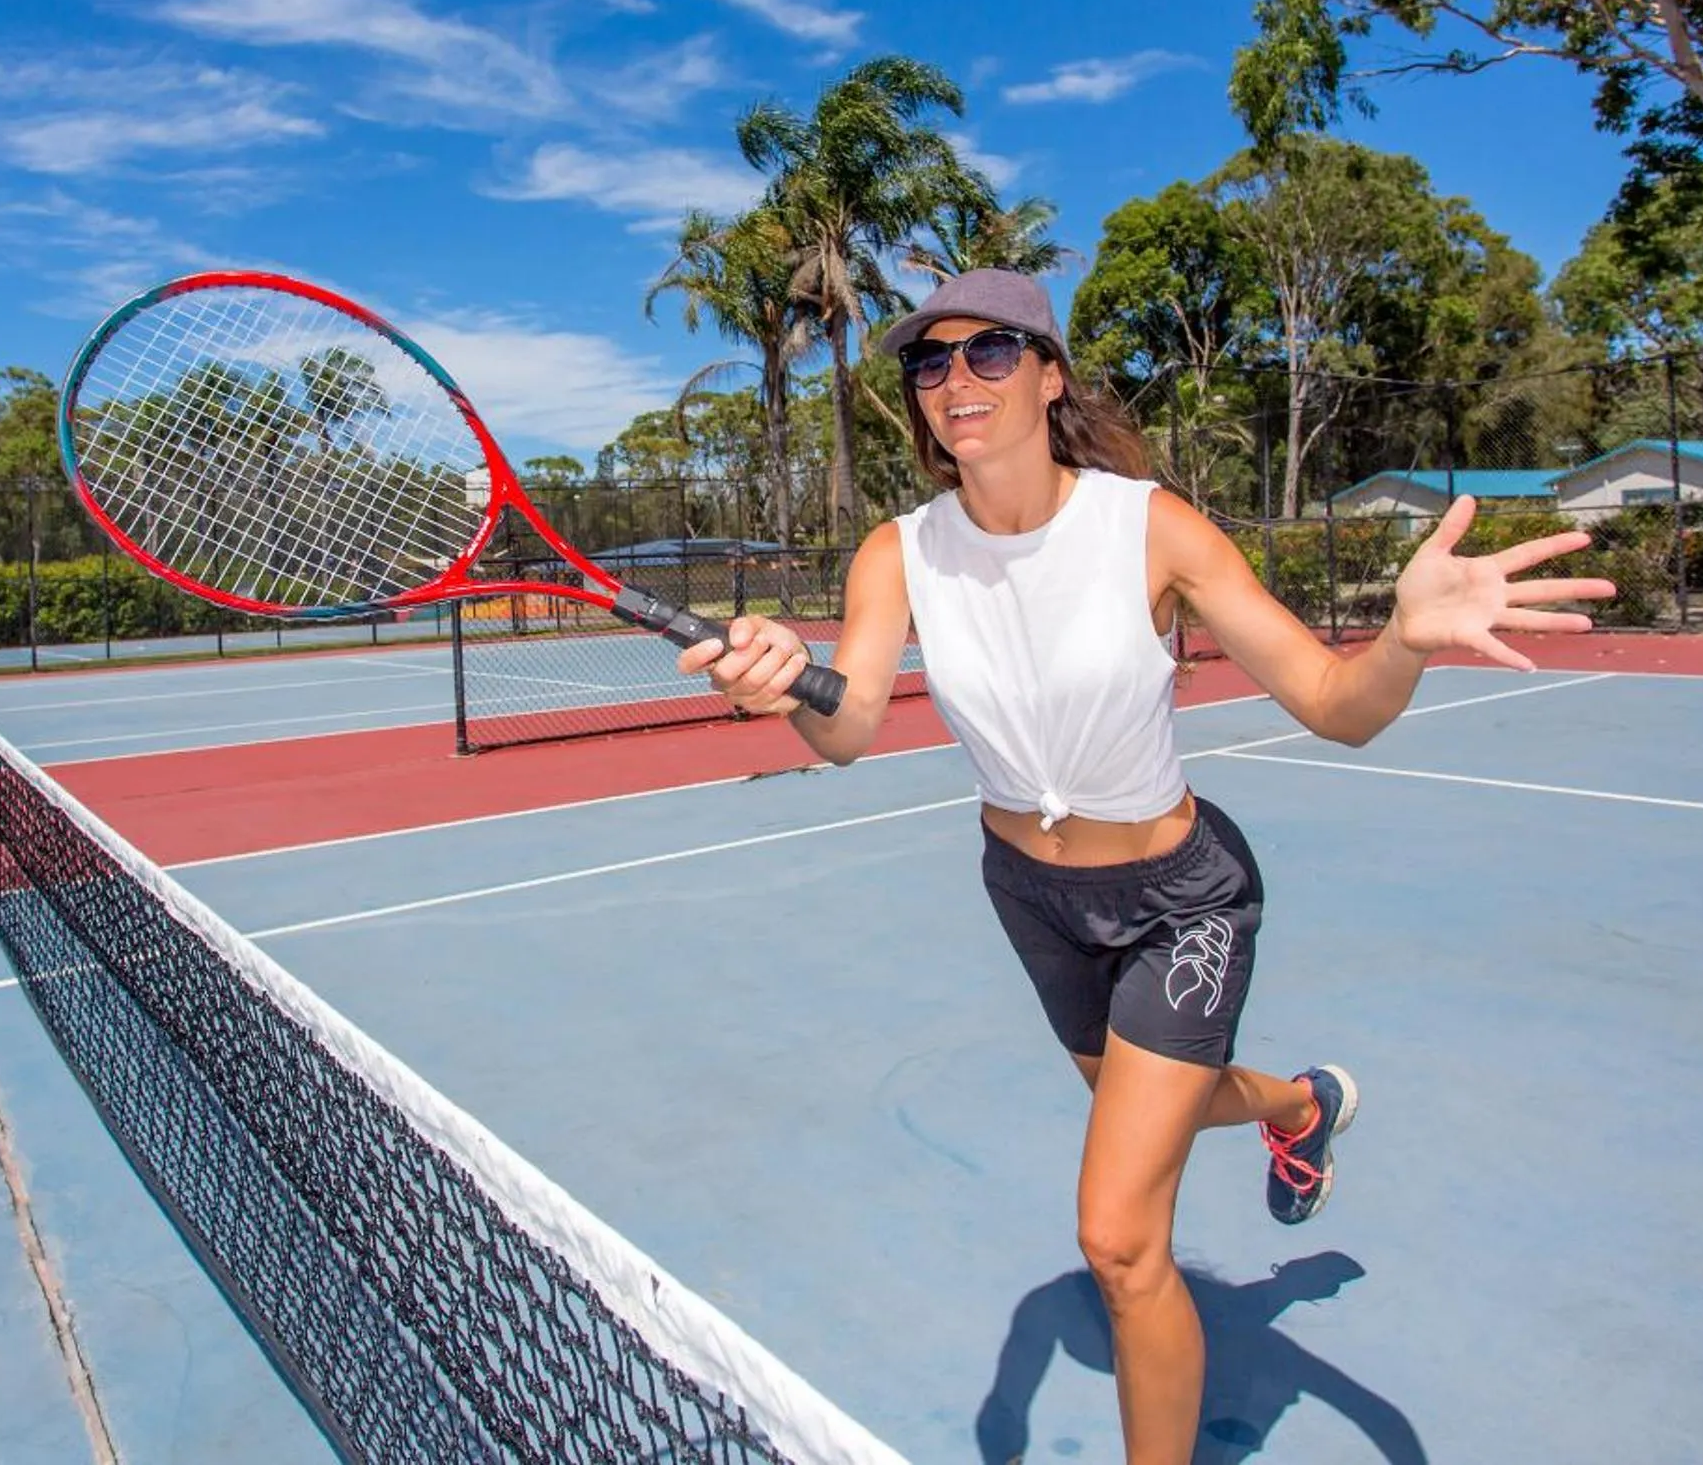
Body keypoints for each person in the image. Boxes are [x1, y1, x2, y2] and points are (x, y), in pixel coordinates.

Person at [679, 268, 1612, 1465]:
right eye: (929, 363)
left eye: (989, 355)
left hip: (1180, 904)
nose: (954, 380)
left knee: (1119, 1240)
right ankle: (1300, 1102)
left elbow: (1337, 706)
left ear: (1049, 374)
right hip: (1030, 896)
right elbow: (846, 725)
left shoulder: (1148, 527)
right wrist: (779, 681)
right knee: (1148, 1111)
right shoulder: (896, 554)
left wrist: (1401, 638)